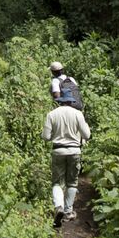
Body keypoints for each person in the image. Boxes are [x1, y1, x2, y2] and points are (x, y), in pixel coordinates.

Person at [42, 93, 90, 228]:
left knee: (57, 182)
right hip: (75, 151)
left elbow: (46, 137)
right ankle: (68, 212)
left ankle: (59, 207)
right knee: (72, 182)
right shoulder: (78, 114)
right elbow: (87, 135)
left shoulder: (52, 114)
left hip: (58, 151)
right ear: (71, 102)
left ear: (60, 102)